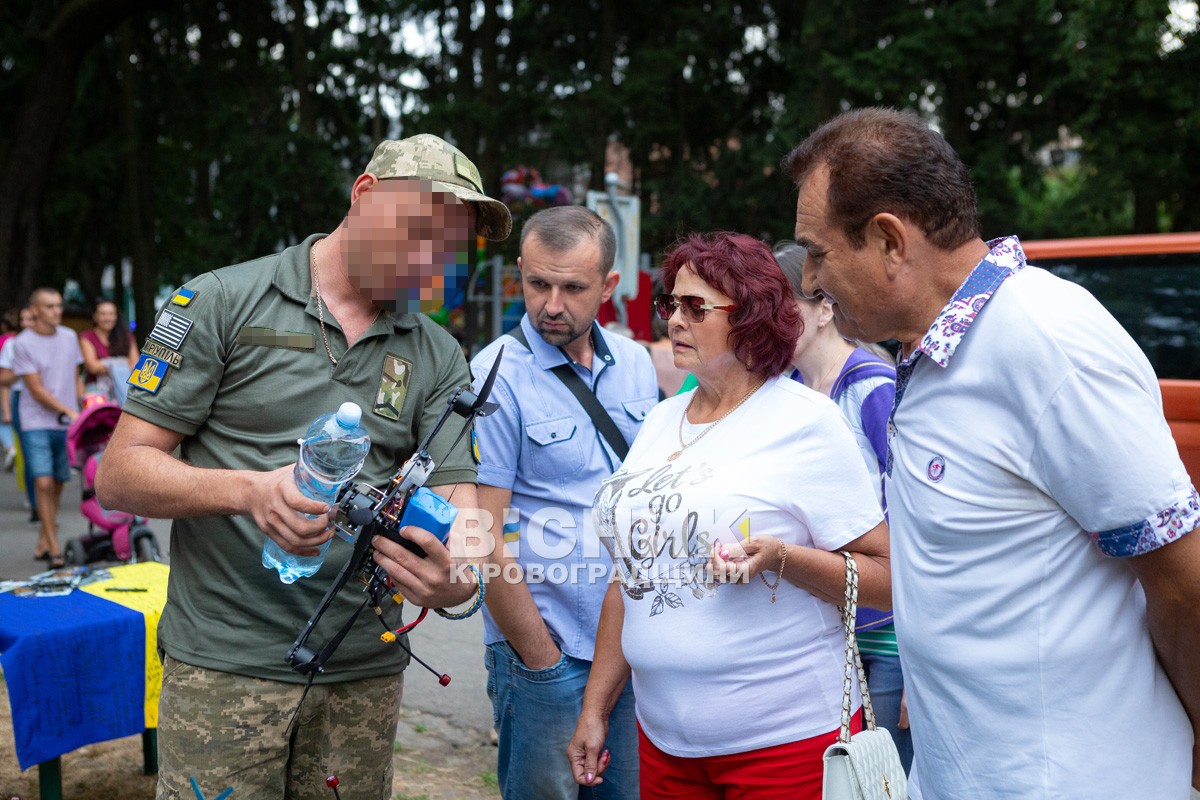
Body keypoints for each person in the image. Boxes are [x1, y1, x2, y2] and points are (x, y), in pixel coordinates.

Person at [784, 107, 1200, 798]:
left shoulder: (1047, 339)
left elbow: (1183, 583)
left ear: (890, 239)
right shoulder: (926, 352)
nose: (809, 283)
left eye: (819, 253)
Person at [94, 133, 512, 800]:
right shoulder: (222, 302)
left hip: (363, 676)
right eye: (422, 229)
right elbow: (118, 474)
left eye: (451, 242)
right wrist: (251, 492)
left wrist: (457, 578)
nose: (434, 257)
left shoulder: (436, 352)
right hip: (224, 670)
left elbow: (464, 510)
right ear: (365, 196)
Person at [568, 231, 891, 800]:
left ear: (751, 318)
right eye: (670, 303)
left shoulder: (804, 421)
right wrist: (596, 707)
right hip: (664, 741)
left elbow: (888, 579)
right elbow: (631, 577)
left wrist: (784, 559)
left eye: (697, 307)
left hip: (783, 744)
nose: (674, 320)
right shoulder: (660, 422)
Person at [469, 205, 658, 800]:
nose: (552, 304)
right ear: (519, 272)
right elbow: (482, 534)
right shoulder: (494, 375)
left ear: (608, 286)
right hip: (547, 653)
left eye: (573, 288)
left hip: (629, 648)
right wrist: (540, 659)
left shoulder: (634, 365)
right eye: (537, 283)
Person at [773, 242, 910, 771]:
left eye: (790, 310)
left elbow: (909, 517)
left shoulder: (873, 389)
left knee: (887, 774)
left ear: (826, 308)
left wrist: (921, 671)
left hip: (893, 628)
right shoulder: (787, 393)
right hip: (831, 621)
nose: (776, 326)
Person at [7, 289, 84, 566]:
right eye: (49, 306)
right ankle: (54, 548)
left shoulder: (69, 337)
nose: (56, 311)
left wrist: (85, 404)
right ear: (35, 310)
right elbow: (35, 389)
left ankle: (43, 536)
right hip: (35, 421)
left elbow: (75, 376)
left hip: (67, 422)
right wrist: (67, 410)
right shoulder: (22, 343)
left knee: (60, 481)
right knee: (42, 481)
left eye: (59, 306)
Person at [0, 305, 39, 519]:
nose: (27, 324)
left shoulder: (54, 342)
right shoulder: (12, 345)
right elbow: (3, 381)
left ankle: (45, 499)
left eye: (31, 319)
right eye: (23, 319)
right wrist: (6, 410)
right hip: (22, 400)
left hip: (49, 404)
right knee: (30, 454)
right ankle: (35, 505)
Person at [79, 298, 139, 404]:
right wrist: (123, 363)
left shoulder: (127, 337)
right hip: (96, 394)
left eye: (111, 314)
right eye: (103, 314)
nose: (107, 318)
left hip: (126, 391)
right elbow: (92, 366)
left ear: (116, 316)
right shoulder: (87, 337)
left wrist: (105, 364)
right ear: (95, 316)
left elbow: (136, 365)